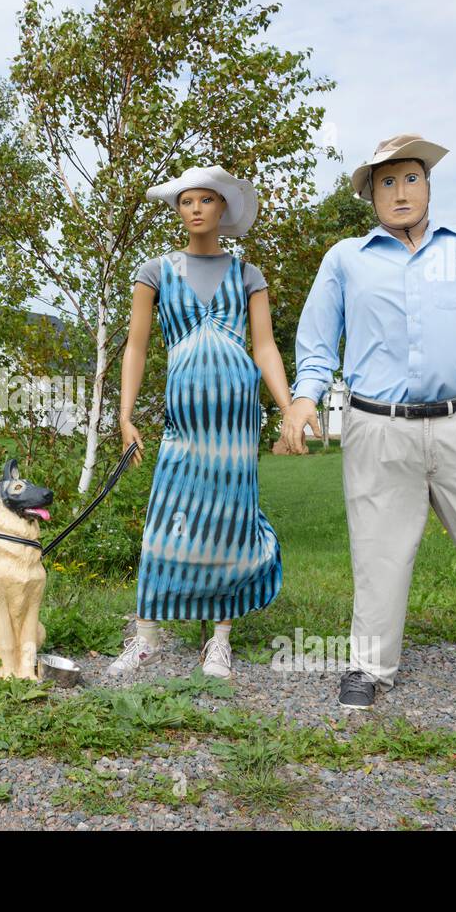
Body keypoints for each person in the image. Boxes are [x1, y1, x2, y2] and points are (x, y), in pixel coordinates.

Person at [281, 133, 456, 725]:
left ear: (429, 184)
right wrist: (304, 400)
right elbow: (318, 344)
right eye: (385, 182)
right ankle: (370, 667)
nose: (399, 192)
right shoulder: (345, 259)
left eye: (410, 178)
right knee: (379, 552)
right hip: (379, 429)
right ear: (369, 196)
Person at [112, 164, 295, 681]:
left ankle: (219, 641)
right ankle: (146, 636)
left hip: (237, 422)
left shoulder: (246, 274)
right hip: (184, 423)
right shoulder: (155, 272)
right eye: (185, 201)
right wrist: (124, 415)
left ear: (222, 209)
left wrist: (287, 407)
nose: (194, 209)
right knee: (163, 523)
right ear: (178, 211)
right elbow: (137, 346)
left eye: (205, 200)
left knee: (230, 523)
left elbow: (264, 347)